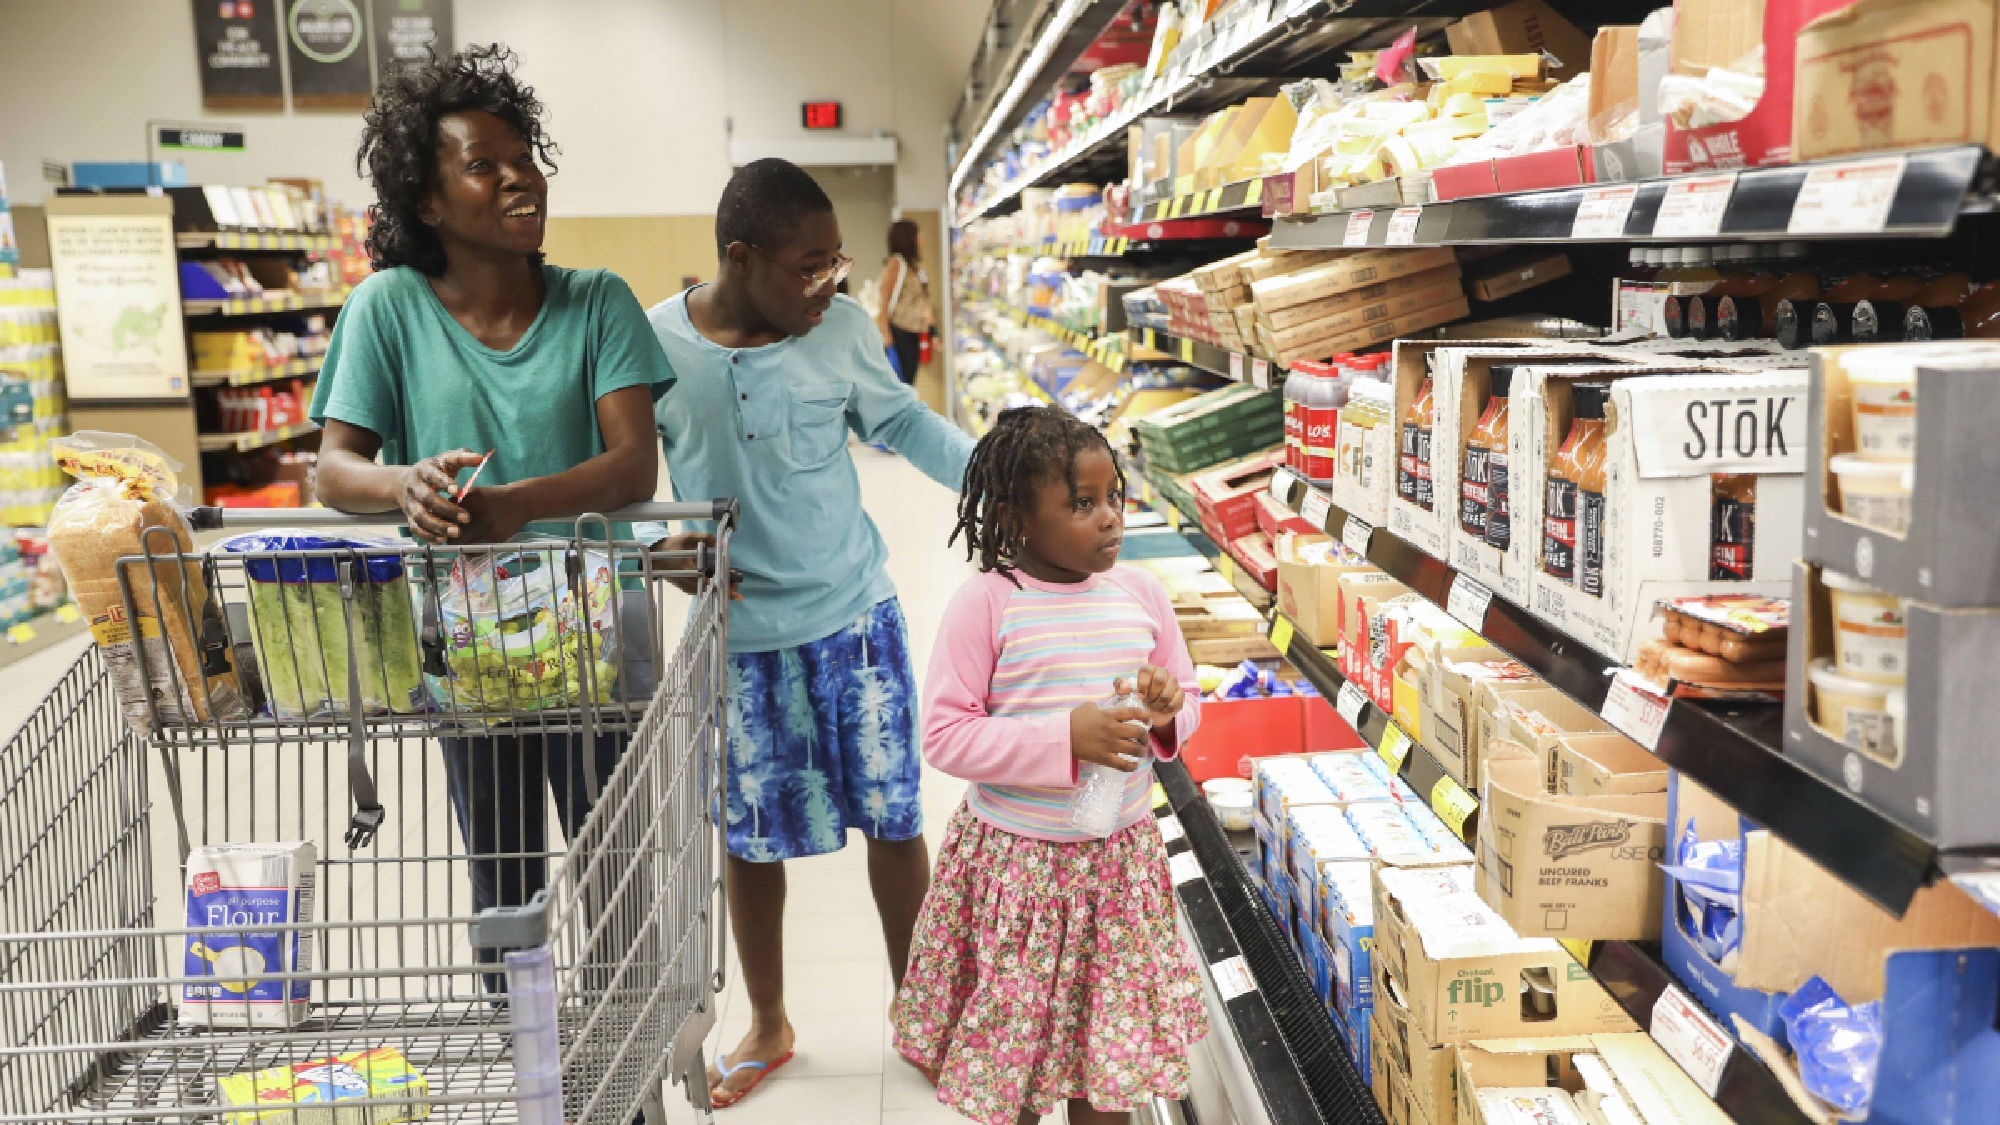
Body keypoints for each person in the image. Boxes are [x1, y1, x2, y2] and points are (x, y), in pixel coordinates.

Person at [308, 45, 672, 982]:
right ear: (427, 203)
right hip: (471, 644)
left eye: (524, 157)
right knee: (505, 882)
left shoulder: (597, 303)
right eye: (483, 164)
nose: (518, 177)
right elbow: (335, 469)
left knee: (616, 871)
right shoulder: (386, 309)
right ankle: (532, 1061)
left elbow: (634, 464)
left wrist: (513, 507)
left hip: (598, 629)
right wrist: (406, 484)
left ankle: (622, 1071)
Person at [641, 158, 976, 1107]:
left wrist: (1000, 477)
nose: (829, 283)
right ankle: (772, 1018)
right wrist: (659, 548)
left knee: (896, 814)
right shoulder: (656, 344)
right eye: (808, 266)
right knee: (749, 837)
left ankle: (919, 1013)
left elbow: (903, 422)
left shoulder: (843, 331)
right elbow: (623, 472)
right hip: (741, 640)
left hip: (855, 620)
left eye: (837, 262)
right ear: (741, 259)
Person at [893, 406, 1209, 1125]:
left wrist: (1166, 712)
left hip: (1117, 873)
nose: (1110, 519)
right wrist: (1064, 737)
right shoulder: (989, 604)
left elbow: (1184, 699)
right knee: (1017, 1071)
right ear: (1016, 518)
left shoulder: (1142, 595)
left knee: (1107, 1074)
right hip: (1017, 878)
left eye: (1114, 498)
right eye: (1082, 503)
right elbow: (945, 735)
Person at [875, 219, 934, 385]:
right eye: (917, 234)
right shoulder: (896, 264)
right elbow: (884, 297)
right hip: (900, 330)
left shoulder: (914, 265)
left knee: (909, 378)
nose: (921, 238)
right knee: (902, 379)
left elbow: (922, 298)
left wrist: (932, 330)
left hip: (915, 330)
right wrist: (885, 332)